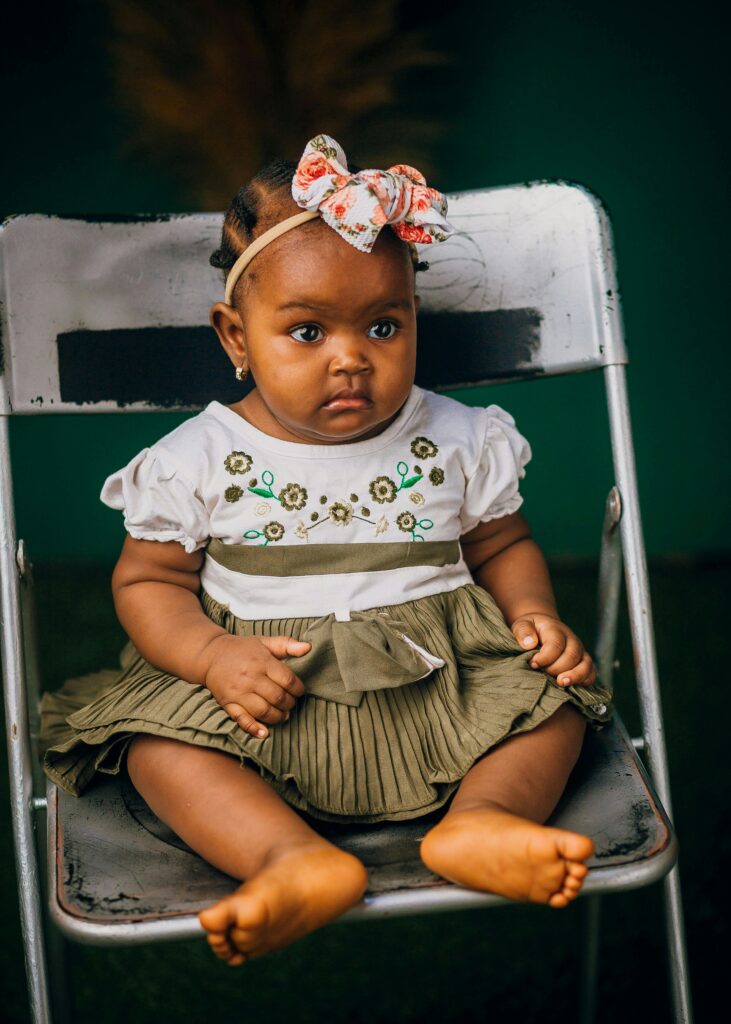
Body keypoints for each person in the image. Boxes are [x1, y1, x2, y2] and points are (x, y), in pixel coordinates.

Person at [40, 133, 612, 967]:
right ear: (236, 337)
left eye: (383, 324)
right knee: (159, 747)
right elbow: (150, 580)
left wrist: (531, 614)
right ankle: (289, 857)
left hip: (441, 670)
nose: (351, 358)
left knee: (552, 707)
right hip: (265, 687)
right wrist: (211, 658)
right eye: (306, 332)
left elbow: (500, 541)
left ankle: (485, 820)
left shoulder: (458, 438)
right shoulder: (195, 458)